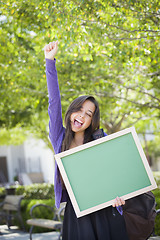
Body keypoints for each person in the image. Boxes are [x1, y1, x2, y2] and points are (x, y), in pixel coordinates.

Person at [44, 41, 129, 240]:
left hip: (104, 209)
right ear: (71, 111)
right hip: (77, 211)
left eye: (88, 114)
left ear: (92, 120)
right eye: (79, 109)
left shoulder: (101, 139)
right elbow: (54, 101)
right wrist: (50, 61)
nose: (81, 116)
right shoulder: (60, 137)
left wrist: (120, 197)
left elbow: (119, 172)